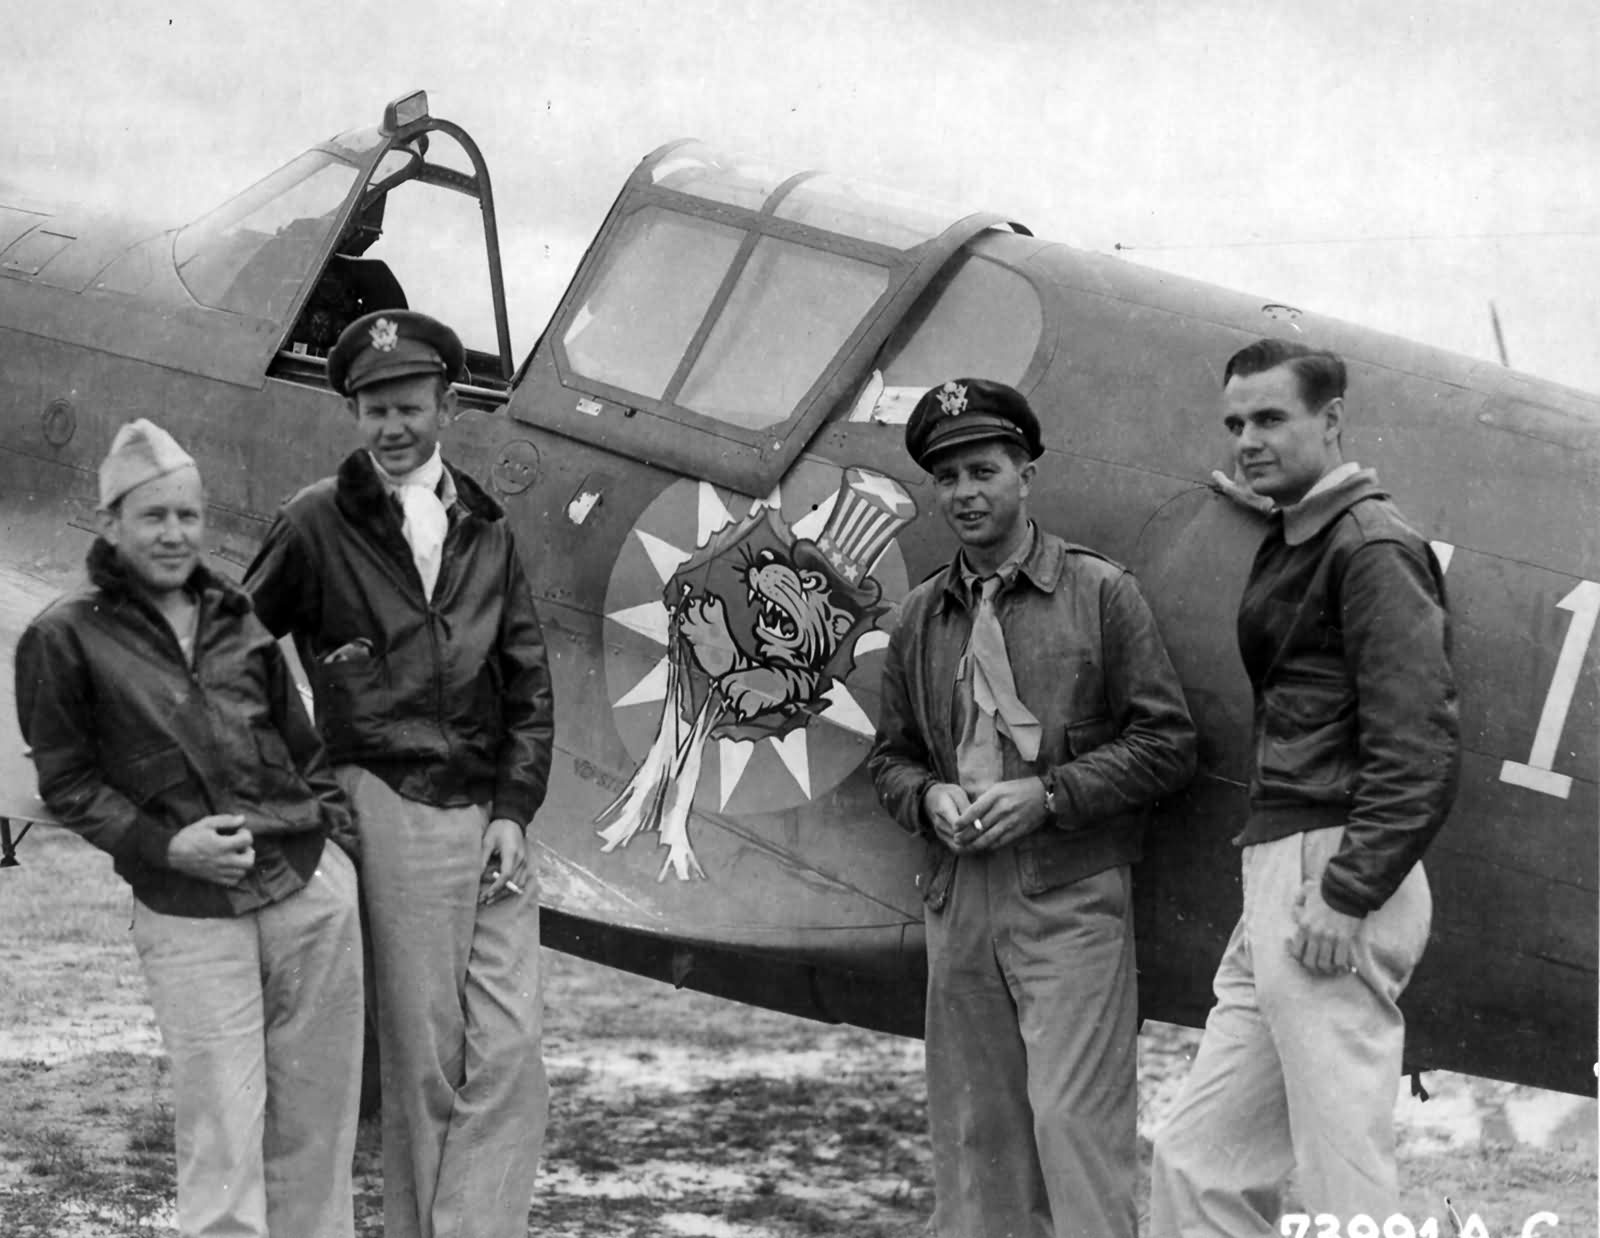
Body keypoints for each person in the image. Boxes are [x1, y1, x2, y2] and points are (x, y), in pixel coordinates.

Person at [244, 310, 553, 1238]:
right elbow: (232, 653)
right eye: (373, 408)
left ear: (448, 406)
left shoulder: (488, 528)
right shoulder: (313, 522)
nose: (392, 427)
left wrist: (515, 806)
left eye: (409, 407)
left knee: (512, 1049)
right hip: (390, 803)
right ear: (352, 410)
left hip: (489, 816)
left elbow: (527, 676)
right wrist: (310, 777)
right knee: (426, 1059)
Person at [15, 420, 363, 1238]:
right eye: (152, 517)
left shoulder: (234, 614)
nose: (175, 535)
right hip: (188, 911)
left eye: (188, 516)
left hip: (305, 892)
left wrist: (333, 850)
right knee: (222, 1130)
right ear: (111, 523)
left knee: (319, 1127)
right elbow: (65, 782)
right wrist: (164, 847)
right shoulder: (64, 636)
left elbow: (300, 743)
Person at [869, 378, 1197, 1238]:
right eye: (948, 479)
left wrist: (1048, 794)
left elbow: (1168, 745)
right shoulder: (919, 616)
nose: (966, 494)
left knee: (1073, 1131)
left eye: (984, 470)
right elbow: (890, 760)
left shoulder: (1099, 593)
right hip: (958, 901)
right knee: (979, 1141)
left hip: (1069, 896)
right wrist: (928, 795)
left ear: (1027, 475)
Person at [1149, 338, 1460, 1235]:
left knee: (1343, 1175)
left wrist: (1349, 892)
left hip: (1334, 872)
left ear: (1331, 422)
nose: (1247, 438)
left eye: (1271, 419)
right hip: (1284, 868)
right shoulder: (1310, 534)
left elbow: (1421, 748)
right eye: (1235, 423)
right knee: (1199, 1160)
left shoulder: (1370, 549)